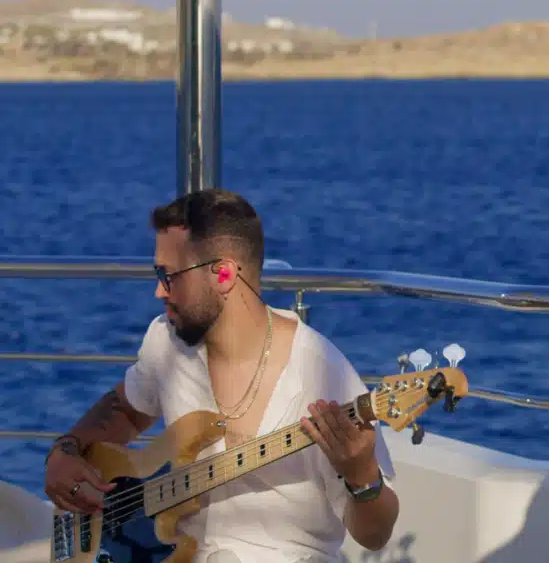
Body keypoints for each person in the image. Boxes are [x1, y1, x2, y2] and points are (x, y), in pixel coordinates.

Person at [43, 188, 399, 562]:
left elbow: (375, 535)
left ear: (224, 274)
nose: (158, 291)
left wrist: (362, 477)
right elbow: (126, 411)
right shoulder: (168, 341)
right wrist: (66, 450)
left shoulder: (323, 375)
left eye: (168, 275)